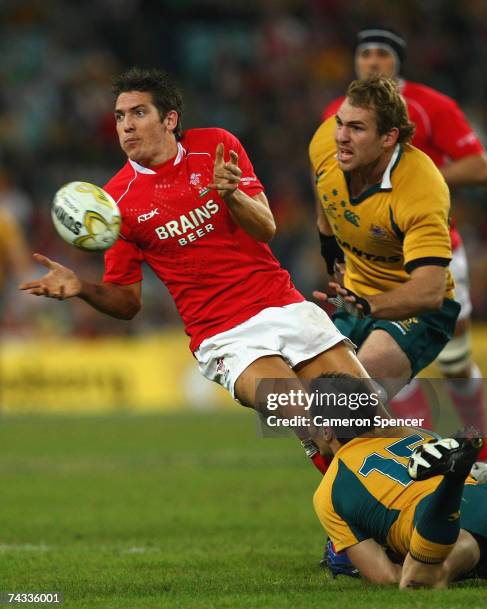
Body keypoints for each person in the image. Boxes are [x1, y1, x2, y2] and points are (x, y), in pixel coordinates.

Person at [20, 66, 379, 473]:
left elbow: (267, 228)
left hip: (284, 305)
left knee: (366, 418)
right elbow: (127, 302)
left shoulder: (216, 146)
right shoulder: (114, 203)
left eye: (138, 113)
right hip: (225, 335)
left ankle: (401, 518)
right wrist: (80, 287)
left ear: (169, 119)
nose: (126, 126)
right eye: (120, 117)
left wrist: (231, 195)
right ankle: (348, 530)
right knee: (312, 421)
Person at [321, 27, 487, 475]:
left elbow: (482, 167)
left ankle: (483, 452)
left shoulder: (432, 106)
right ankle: (419, 460)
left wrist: (418, 179)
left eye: (383, 53)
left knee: (456, 362)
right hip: (370, 259)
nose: (373, 62)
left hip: (434, 255)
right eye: (365, 54)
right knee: (372, 382)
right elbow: (327, 190)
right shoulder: (333, 118)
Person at [310, 74, 460, 404]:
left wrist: (371, 305)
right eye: (340, 123)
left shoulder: (421, 188)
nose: (342, 137)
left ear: (389, 137)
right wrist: (329, 249)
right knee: (313, 409)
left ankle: (439, 453)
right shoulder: (326, 144)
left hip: (415, 309)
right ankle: (439, 454)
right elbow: (322, 186)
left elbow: (431, 291)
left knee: (349, 403)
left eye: (357, 128)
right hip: (356, 300)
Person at [310, 373, 487, 588]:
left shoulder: (329, 490)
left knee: (418, 578)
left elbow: (386, 576)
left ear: (327, 431)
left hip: (440, 522)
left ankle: (452, 480)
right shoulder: (417, 433)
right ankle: (456, 476)